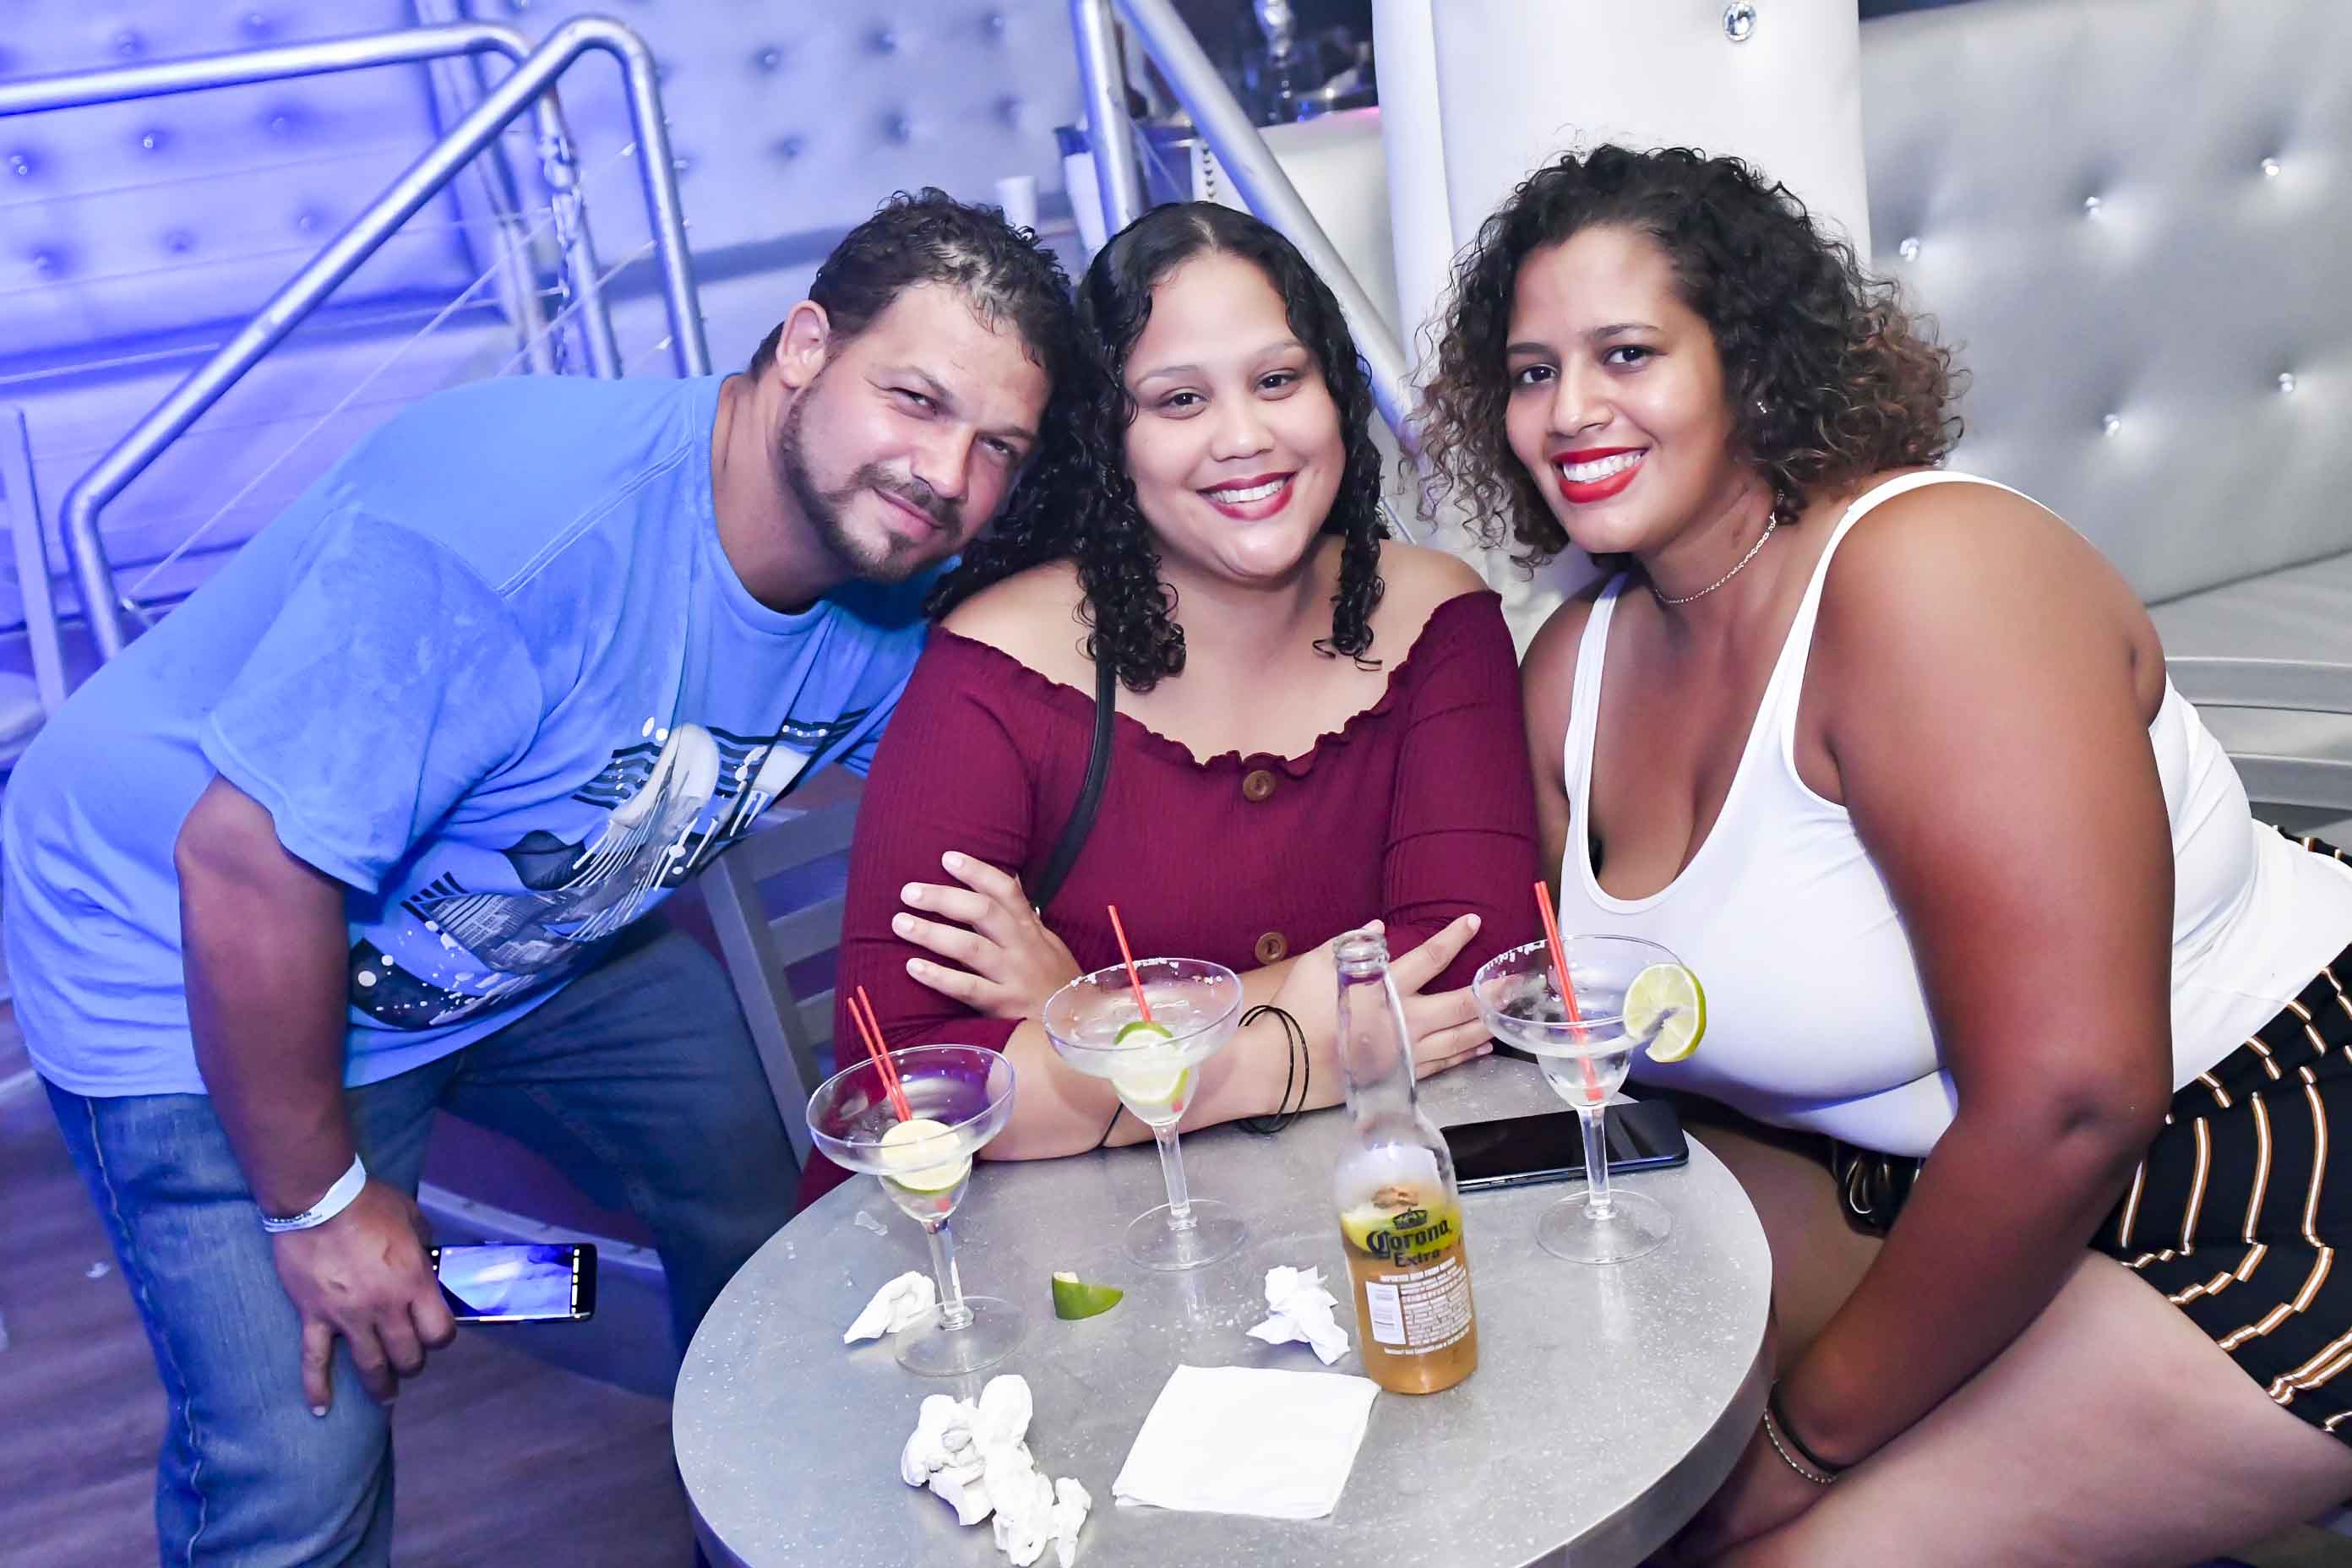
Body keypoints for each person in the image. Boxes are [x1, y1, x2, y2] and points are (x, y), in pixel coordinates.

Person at [3, 188, 1073, 1565]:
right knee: (302, 1458)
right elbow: (243, 865)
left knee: (756, 1186)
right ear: (804, 346)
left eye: (996, 447)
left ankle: (749, 1511)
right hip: (186, 942)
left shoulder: (886, 601)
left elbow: (1013, 786)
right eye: (914, 400)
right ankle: (385, 1274)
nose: (943, 474)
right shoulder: (518, 531)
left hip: (500, 948)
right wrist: (322, 1209)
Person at [1413, 143, 2352, 1565]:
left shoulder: (1927, 578)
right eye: (1532, 372)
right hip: (1920, 1185)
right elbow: (1588, 1039)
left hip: (2261, 1157)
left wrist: (1796, 1449)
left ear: (1748, 364)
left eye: (1626, 354)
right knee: (1554, 1479)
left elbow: (2074, 1102)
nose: (1569, 410)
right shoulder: (1573, 670)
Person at [802, 202, 1537, 1204]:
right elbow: (904, 1084)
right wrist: (1272, 1054)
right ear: (1109, 437)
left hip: (1361, 1211)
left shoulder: (1439, 619)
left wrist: (1096, 1012)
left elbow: (1470, 974)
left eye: (1278, 380)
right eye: (1179, 399)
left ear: (1334, 392)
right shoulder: (989, 668)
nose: (1244, 436)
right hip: (1018, 1251)